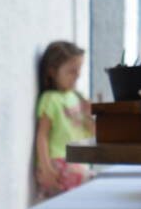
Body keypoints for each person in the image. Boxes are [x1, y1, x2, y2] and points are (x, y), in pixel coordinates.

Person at [33, 40, 95, 200]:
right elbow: (42, 135)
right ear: (52, 72)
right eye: (71, 71)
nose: (78, 75)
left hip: (77, 161)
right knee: (93, 184)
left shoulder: (77, 97)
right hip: (58, 161)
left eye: (79, 70)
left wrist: (89, 115)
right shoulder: (50, 99)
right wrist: (45, 168)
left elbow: (93, 133)